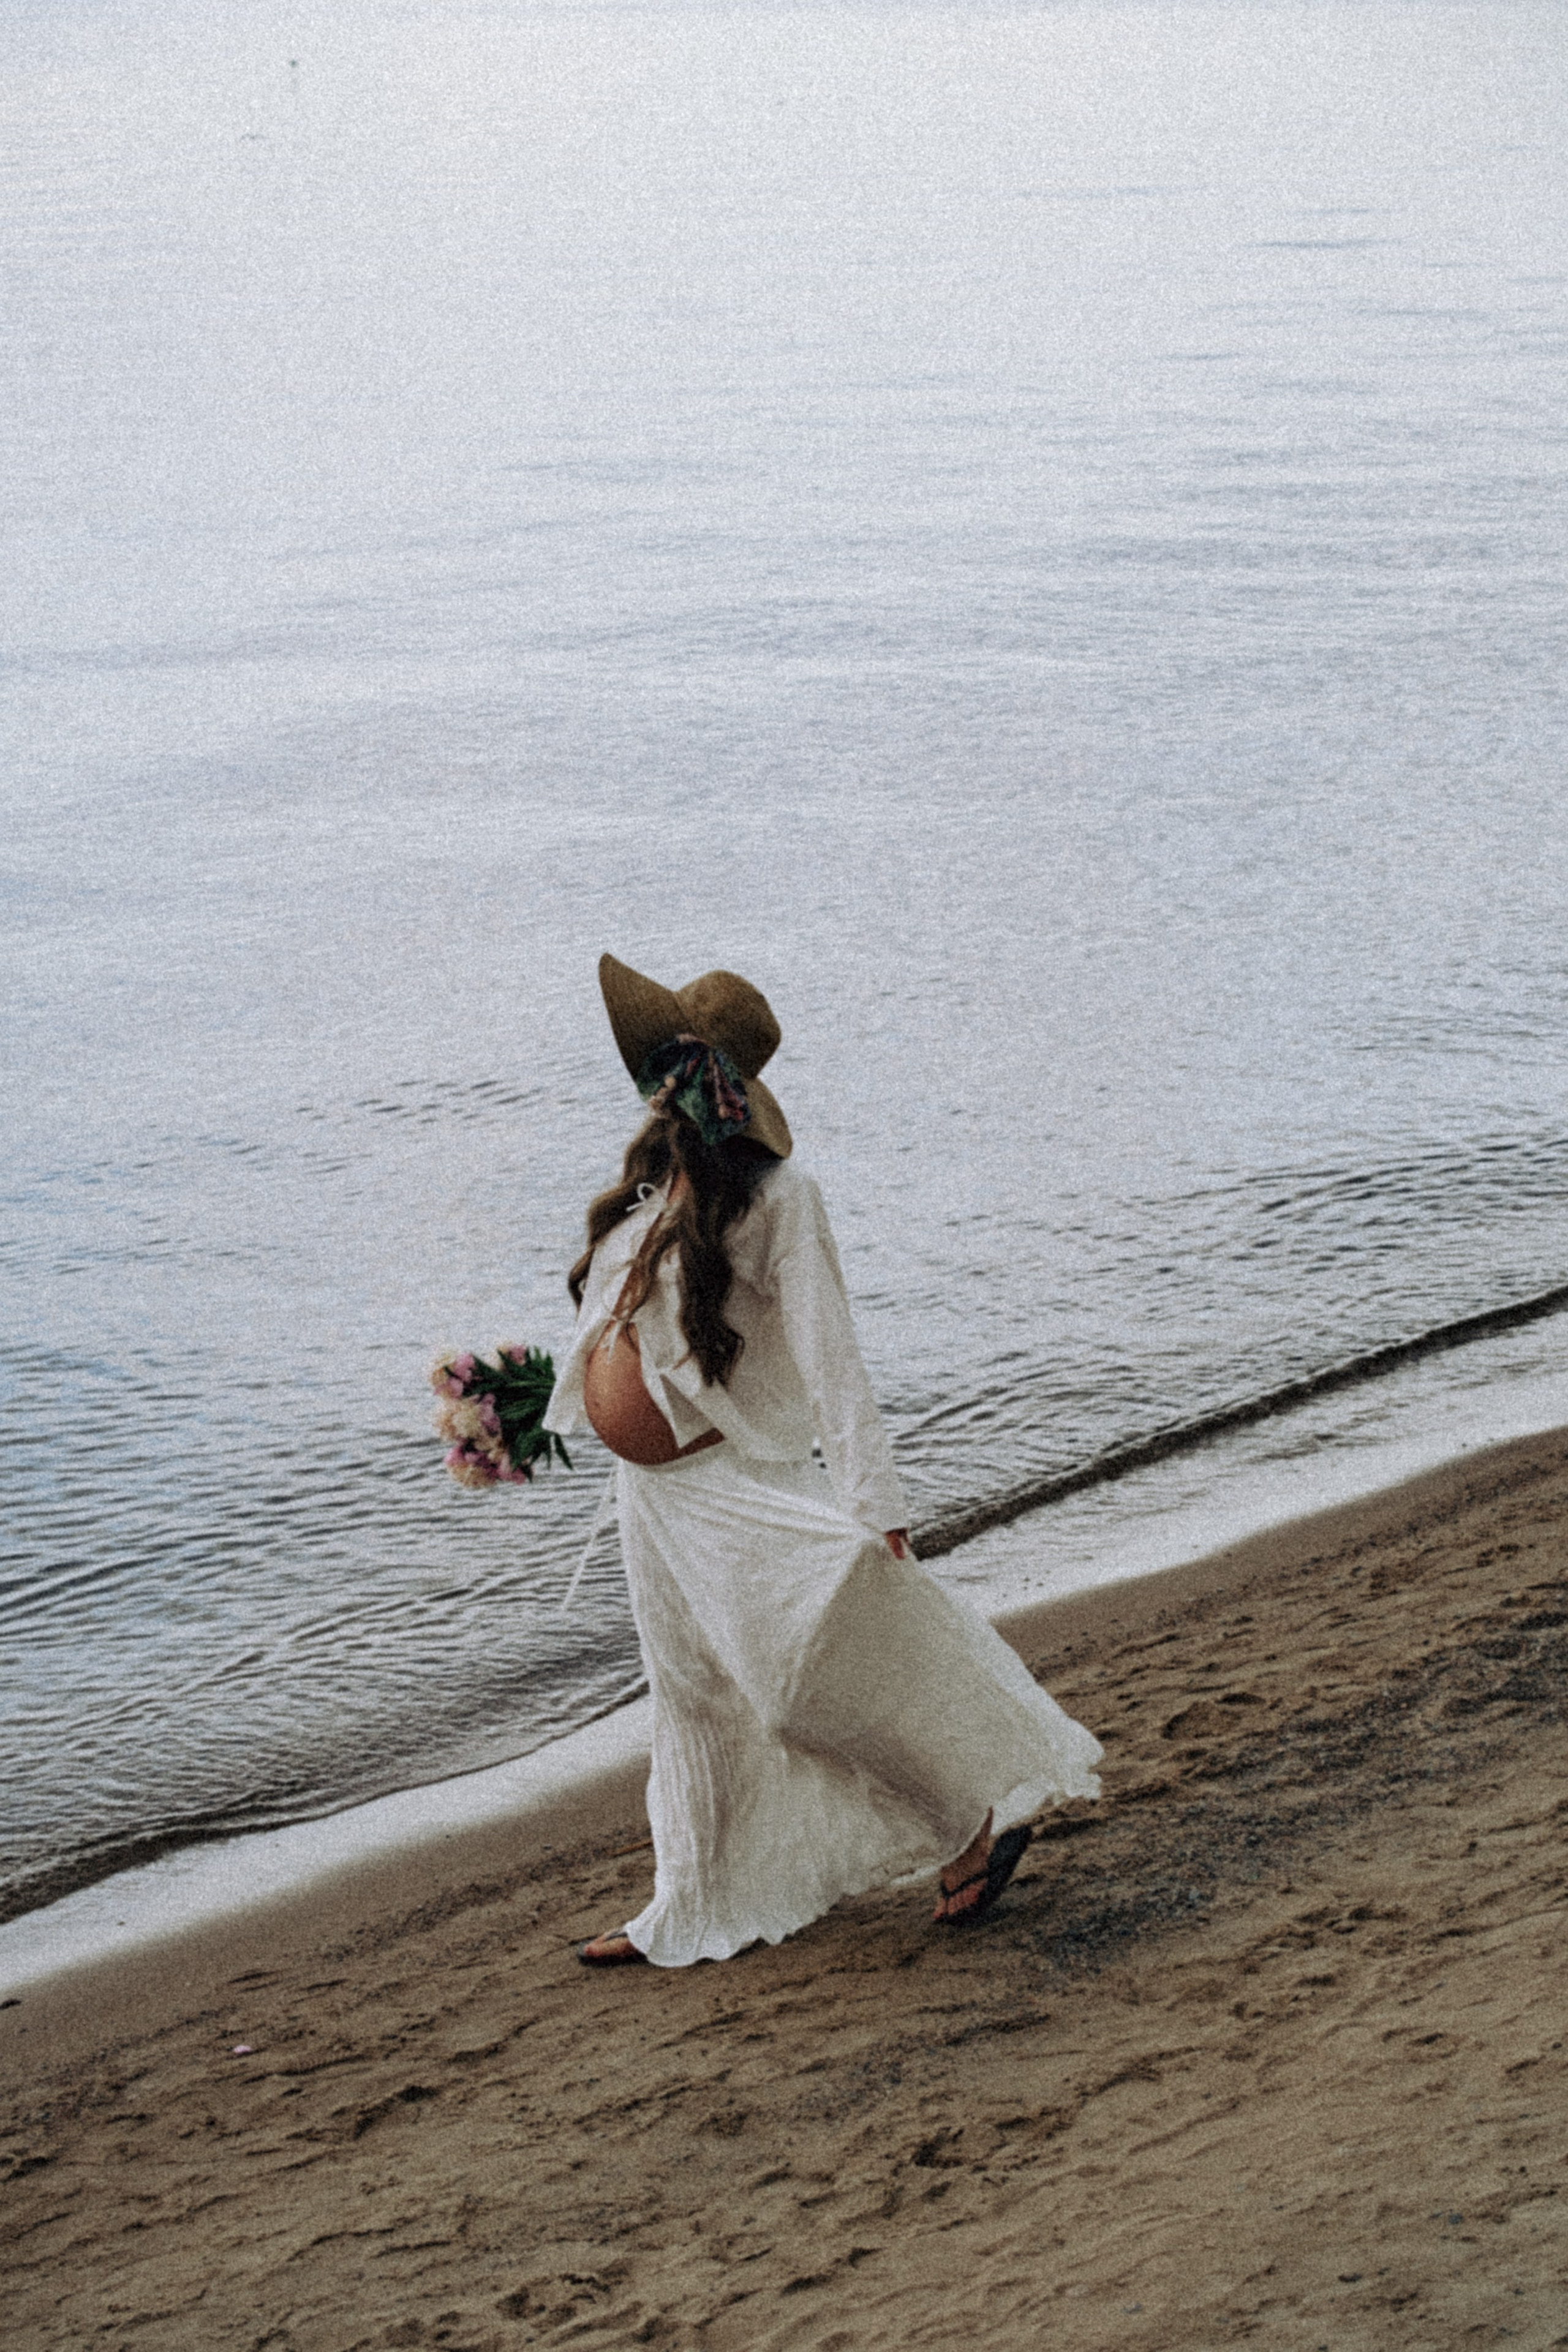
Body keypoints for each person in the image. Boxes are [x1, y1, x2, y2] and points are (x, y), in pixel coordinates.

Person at [543, 954, 1102, 1967]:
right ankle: (691, 1901)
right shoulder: (649, 1186)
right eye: (658, 1071)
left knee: (792, 1688)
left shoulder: (784, 1199)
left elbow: (830, 1350)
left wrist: (871, 1499)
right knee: (692, 1695)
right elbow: (620, 1339)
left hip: (726, 1488)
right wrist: (528, 1411)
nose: (663, 1089)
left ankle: (969, 1814)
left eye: (680, 1072)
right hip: (651, 1499)